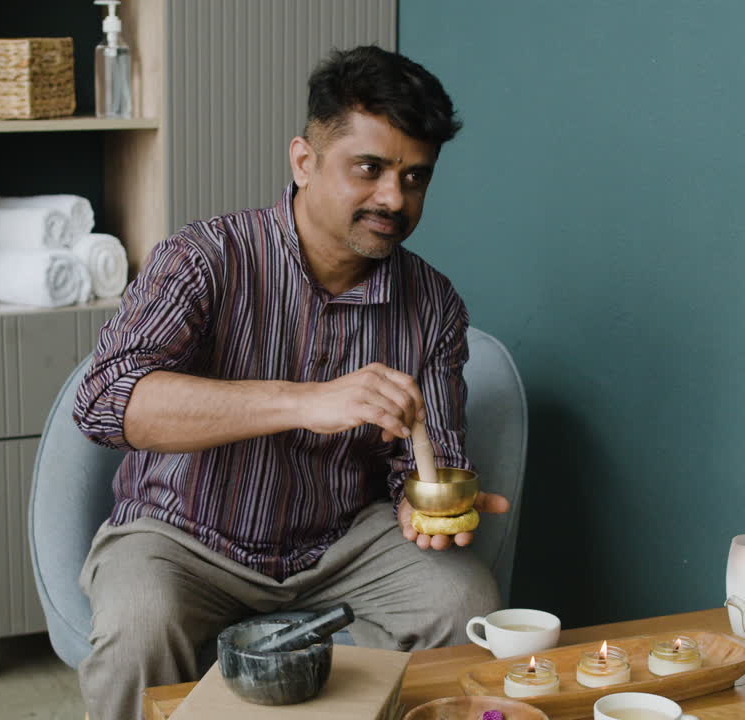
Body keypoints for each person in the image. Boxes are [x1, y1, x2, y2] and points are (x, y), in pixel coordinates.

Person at [72, 44, 509, 720]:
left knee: (463, 600)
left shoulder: (433, 304)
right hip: (184, 537)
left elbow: (426, 461)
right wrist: (307, 401)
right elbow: (105, 400)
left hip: (340, 543)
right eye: (370, 169)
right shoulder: (206, 257)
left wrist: (427, 506)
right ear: (304, 161)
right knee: (140, 623)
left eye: (416, 178)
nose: (394, 198)